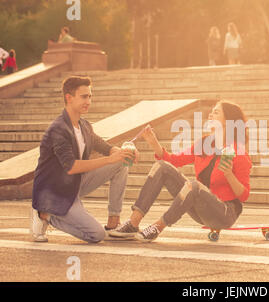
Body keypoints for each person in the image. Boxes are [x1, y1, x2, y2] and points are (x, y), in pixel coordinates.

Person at [109, 100, 252, 242]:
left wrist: (229, 174)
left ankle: (158, 227)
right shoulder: (204, 144)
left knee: (194, 185)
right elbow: (173, 161)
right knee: (162, 166)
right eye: (211, 111)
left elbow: (244, 195)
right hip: (201, 209)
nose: (210, 115)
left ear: (228, 121)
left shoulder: (238, 152)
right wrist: (154, 143)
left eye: (216, 112)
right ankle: (133, 223)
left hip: (225, 213)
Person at [30, 76, 137, 243]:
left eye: (90, 96)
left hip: (75, 184)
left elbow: (103, 146)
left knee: (121, 162)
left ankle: (113, 223)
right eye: (84, 96)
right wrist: (109, 160)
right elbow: (71, 166)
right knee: (96, 235)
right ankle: (46, 214)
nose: (88, 101)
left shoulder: (85, 126)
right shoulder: (58, 129)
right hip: (55, 192)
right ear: (69, 98)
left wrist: (123, 152)